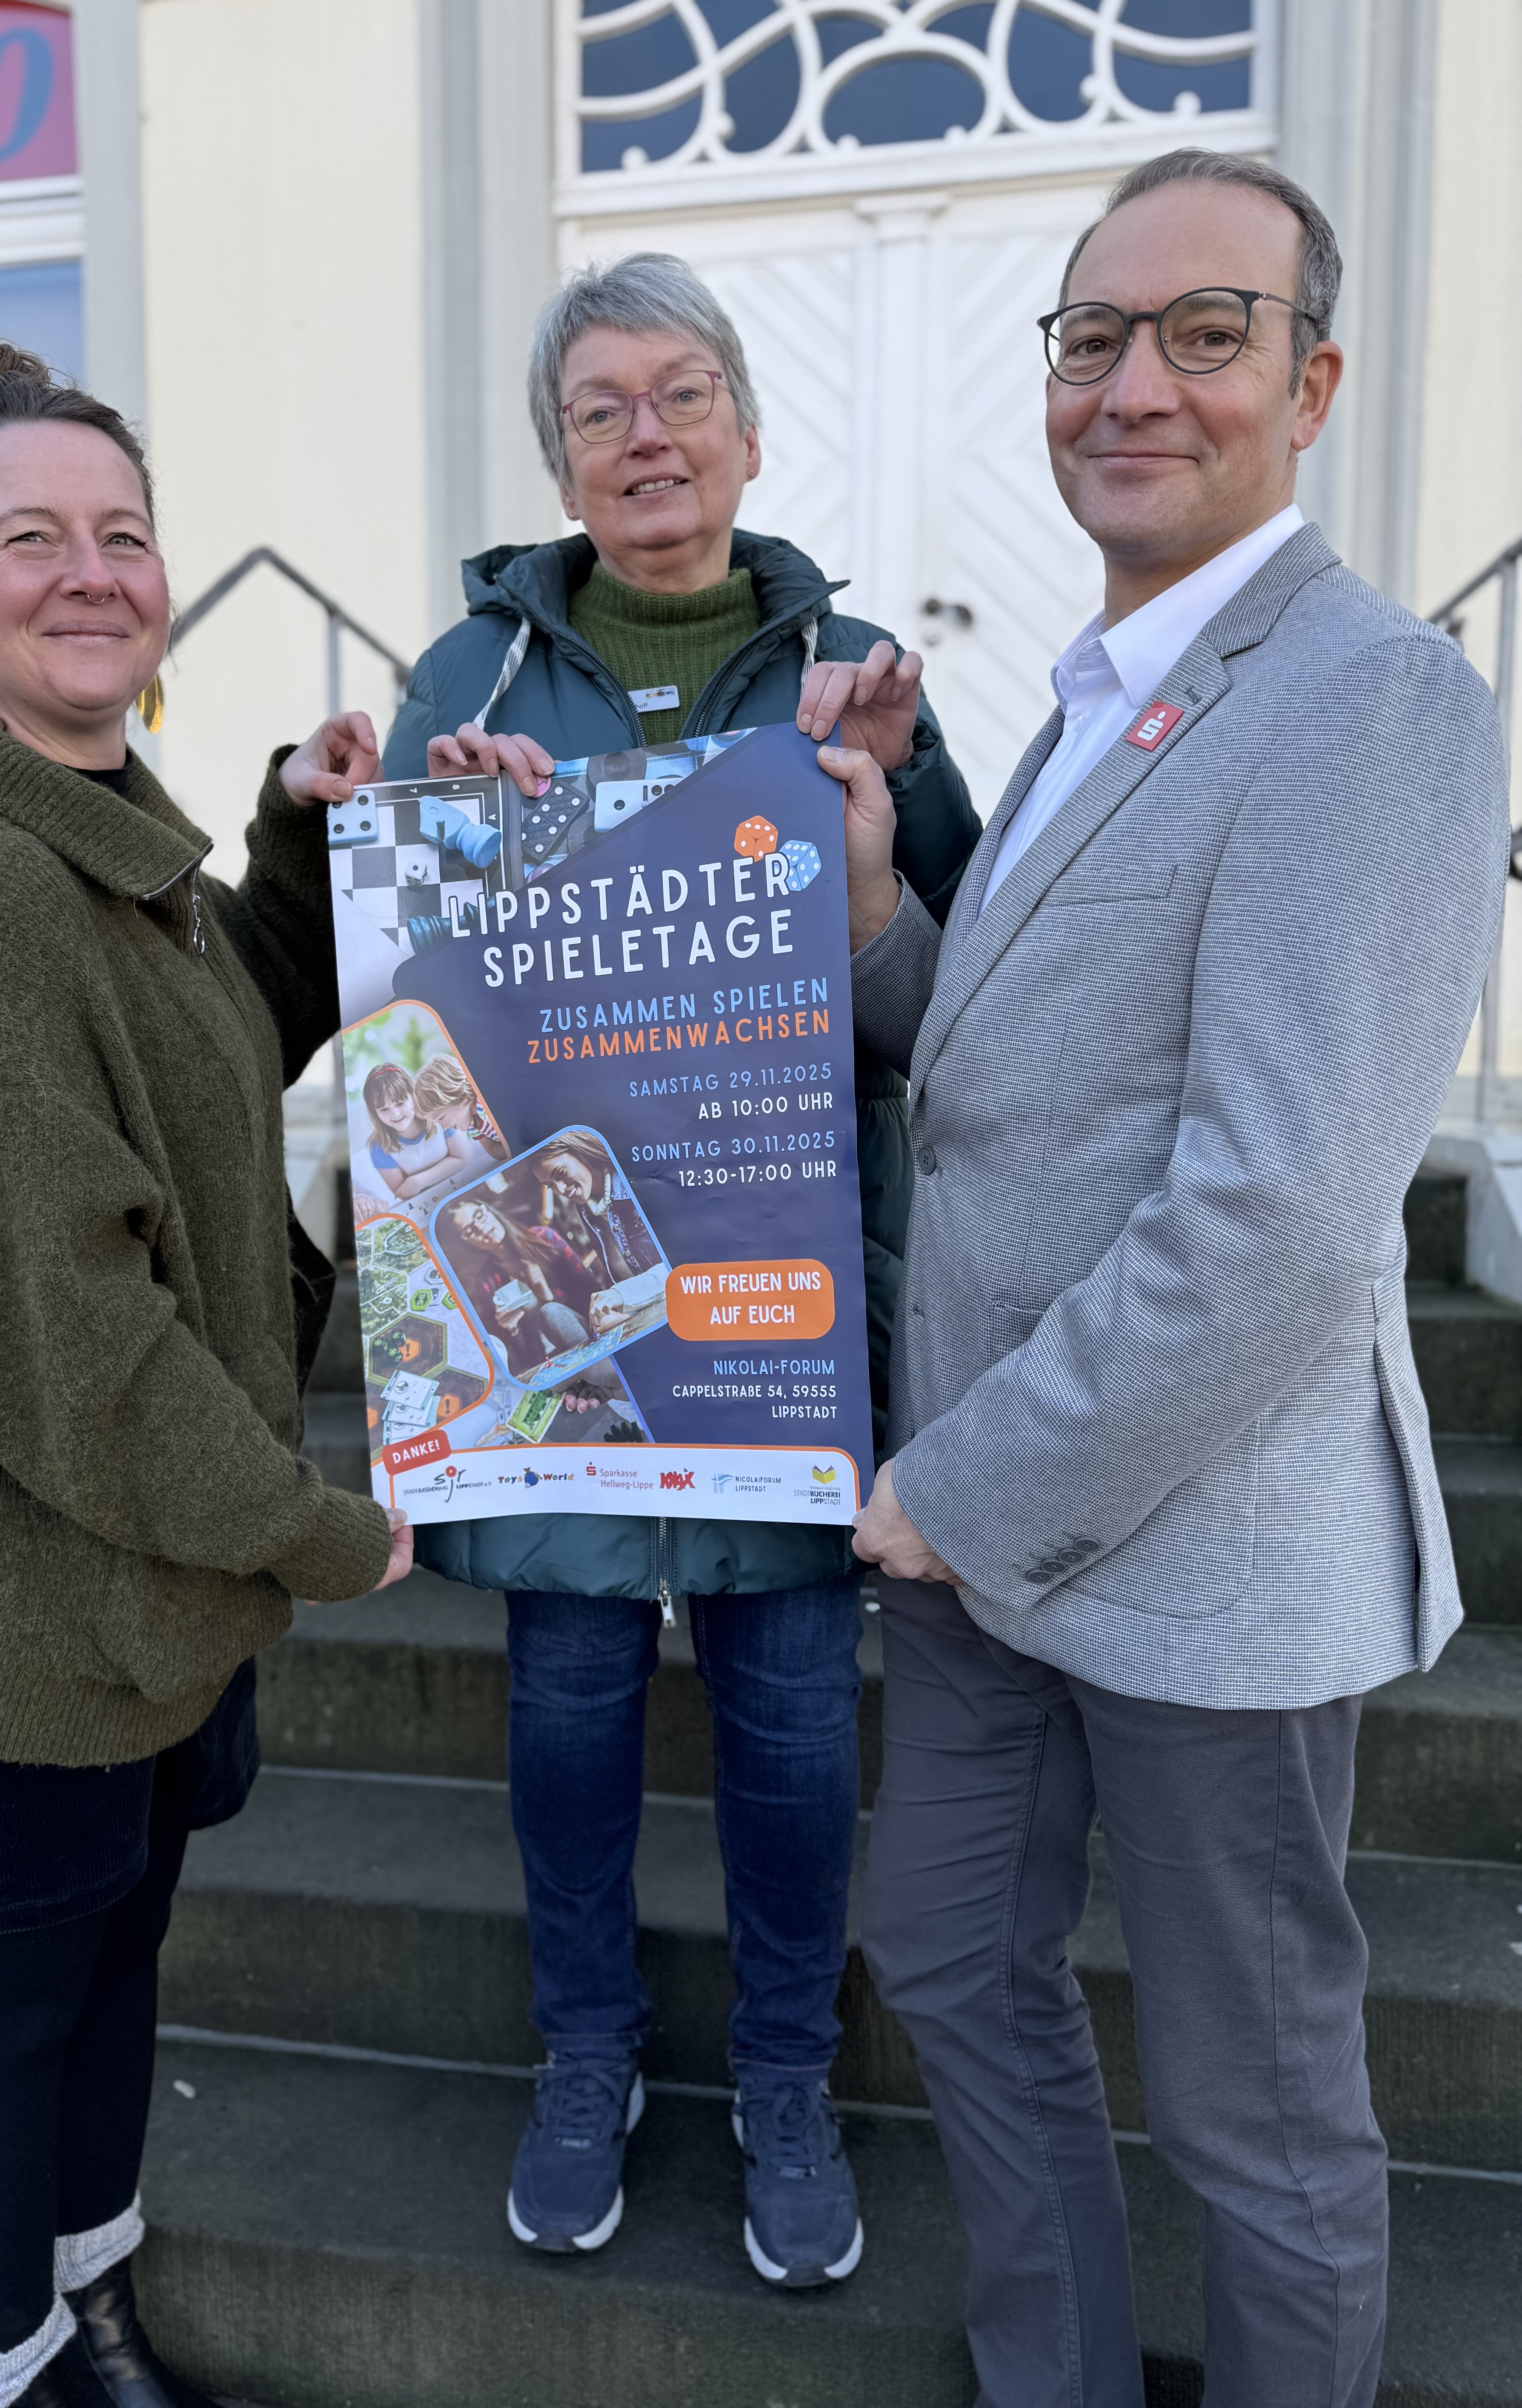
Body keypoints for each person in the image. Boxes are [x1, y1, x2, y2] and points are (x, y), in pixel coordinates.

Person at [824, 152, 1510, 2405]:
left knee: (1254, 2099)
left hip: (1191, 1536)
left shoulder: (1365, 697)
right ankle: (1057, 2374)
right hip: (985, 1540)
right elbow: (1010, 1064)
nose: (1130, 385)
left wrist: (950, 1491)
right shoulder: (1098, 685)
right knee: (939, 1954)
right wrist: (863, 917)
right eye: (1090, 337)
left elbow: (1280, 1218)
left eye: (1197, 334)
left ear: (1305, 384)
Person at [377, 251, 980, 2285]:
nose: (645, 438)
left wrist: (888, 811)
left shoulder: (860, 667)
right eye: (600, 408)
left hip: (779, 1317)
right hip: (553, 1310)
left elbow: (949, 1004)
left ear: (745, 423)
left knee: (800, 1722)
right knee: (564, 1708)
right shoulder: (462, 682)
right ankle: (589, 2054)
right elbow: (407, 1023)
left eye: (680, 395)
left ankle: (791, 2078)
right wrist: (433, 853)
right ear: (559, 456)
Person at [0, 342, 410, 2408]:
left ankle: (93, 2304)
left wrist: (292, 830)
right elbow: (78, 1347)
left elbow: (228, 1033)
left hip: (140, 1606)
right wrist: (323, 1529)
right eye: (30, 540)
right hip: (19, 1627)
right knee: (4, 2023)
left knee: (111, 1977)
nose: (91, 573)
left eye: (122, 532)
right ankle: (7, 2373)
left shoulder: (97, 825)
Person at [443, 1197, 593, 1371]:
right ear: (467, 1243)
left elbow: (591, 1291)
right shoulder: (486, 1283)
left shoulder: (545, 1239)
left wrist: (545, 1296)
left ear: (488, 1210)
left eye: (479, 1215)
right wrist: (512, 1332)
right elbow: (516, 1360)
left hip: (585, 1337)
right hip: (545, 1363)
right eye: (470, 1231)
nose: (481, 1228)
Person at [532, 1132, 661, 1288]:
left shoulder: (636, 1183)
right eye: (550, 1185)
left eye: (561, 1173)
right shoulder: (586, 1211)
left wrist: (624, 1296)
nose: (560, 1189)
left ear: (581, 1153)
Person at [361, 1061, 471, 1201]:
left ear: (413, 1095)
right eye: (384, 1110)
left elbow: (463, 1158)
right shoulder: (379, 1148)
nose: (395, 1114)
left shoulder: (438, 1115)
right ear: (375, 1113)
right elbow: (404, 1193)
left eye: (400, 1104)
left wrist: (418, 1182)